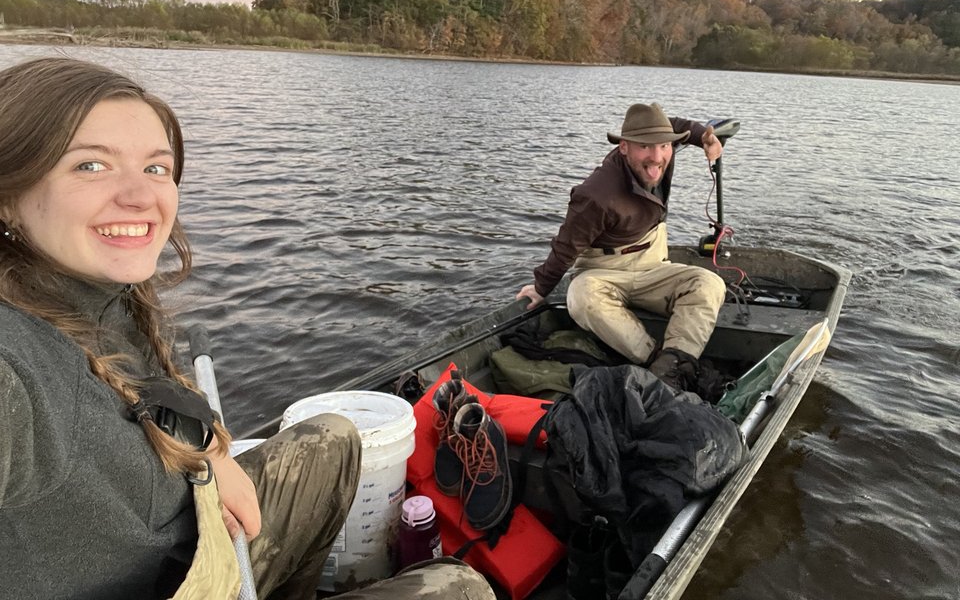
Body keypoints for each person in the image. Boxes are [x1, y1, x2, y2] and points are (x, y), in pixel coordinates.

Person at [0, 57, 495, 600]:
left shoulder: (99, 288)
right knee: (459, 587)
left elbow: (151, 395)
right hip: (176, 583)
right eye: (90, 166)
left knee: (335, 439)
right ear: (9, 195)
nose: (140, 196)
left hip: (197, 539)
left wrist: (212, 454)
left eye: (156, 168)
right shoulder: (16, 367)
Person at [516, 102, 728, 392]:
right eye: (645, 147)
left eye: (664, 146)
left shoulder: (660, 154)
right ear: (624, 147)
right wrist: (541, 287)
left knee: (709, 284)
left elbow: (675, 124)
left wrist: (704, 136)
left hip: (652, 264)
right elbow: (566, 245)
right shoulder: (596, 194)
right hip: (605, 271)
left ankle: (676, 365)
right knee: (581, 297)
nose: (656, 158)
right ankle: (654, 360)